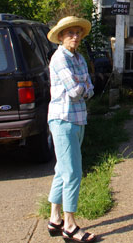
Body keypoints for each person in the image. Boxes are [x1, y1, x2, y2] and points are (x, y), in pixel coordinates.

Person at [45, 16, 99, 242]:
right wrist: (83, 88)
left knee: (62, 170)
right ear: (60, 37)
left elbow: (89, 88)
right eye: (70, 33)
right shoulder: (59, 59)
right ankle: (69, 225)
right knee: (73, 173)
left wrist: (83, 88)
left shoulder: (79, 58)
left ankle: (55, 219)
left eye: (78, 33)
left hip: (78, 119)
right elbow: (76, 90)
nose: (75, 37)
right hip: (63, 120)